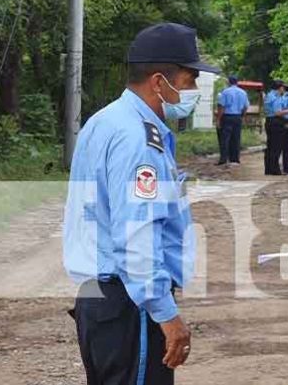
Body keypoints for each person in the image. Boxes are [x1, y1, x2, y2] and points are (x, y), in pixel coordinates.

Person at [63, 22, 221, 385]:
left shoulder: (105, 122)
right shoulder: (138, 141)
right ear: (158, 82)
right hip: (129, 305)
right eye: (189, 80)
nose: (193, 90)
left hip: (101, 298)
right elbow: (137, 234)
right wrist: (166, 314)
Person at [263, 80, 288, 175]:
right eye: (283, 87)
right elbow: (278, 112)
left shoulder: (269, 95)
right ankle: (275, 169)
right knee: (276, 147)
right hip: (275, 122)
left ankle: (268, 169)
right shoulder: (275, 97)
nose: (284, 90)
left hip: (269, 121)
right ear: (279, 88)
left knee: (270, 146)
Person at [216, 75, 249, 166]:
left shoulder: (225, 92)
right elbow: (246, 107)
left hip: (227, 117)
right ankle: (235, 159)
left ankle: (223, 159)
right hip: (237, 117)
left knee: (225, 138)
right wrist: (242, 116)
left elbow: (221, 106)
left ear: (229, 82)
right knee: (236, 138)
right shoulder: (243, 92)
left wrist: (218, 119)